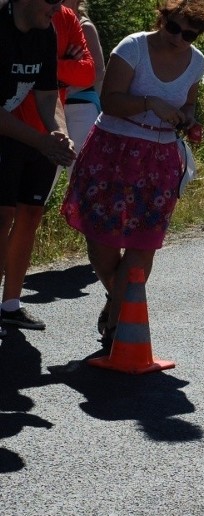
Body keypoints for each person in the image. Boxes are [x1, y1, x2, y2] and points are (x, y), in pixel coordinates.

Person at [61, 0, 204, 348]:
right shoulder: (133, 46)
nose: (178, 38)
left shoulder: (196, 62)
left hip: (159, 158)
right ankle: (119, 301)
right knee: (101, 245)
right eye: (173, 27)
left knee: (142, 244)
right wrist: (150, 102)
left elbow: (188, 103)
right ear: (162, 18)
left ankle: (118, 327)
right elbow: (110, 100)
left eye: (189, 34)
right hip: (112, 151)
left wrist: (188, 119)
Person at [0, 0, 78, 336]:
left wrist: (59, 133)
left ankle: (9, 306)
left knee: (27, 214)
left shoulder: (45, 32)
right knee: (1, 217)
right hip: (11, 132)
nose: (59, 6)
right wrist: (41, 141)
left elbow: (48, 96)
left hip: (18, 134)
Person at [61, 0, 105, 154]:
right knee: (50, 166)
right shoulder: (46, 23)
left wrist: (70, 87)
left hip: (81, 102)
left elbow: (99, 71)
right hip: (53, 105)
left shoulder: (85, 27)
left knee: (81, 161)